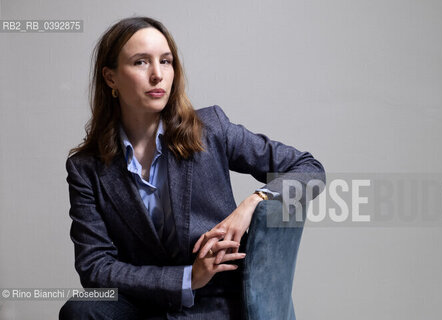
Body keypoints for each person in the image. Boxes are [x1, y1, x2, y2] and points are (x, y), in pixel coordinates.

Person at [59, 16, 325, 320]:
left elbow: (309, 169)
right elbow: (95, 267)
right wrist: (186, 278)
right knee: (79, 312)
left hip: (214, 301)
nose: (158, 75)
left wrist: (255, 201)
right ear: (111, 78)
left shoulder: (211, 129)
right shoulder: (86, 168)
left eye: (166, 61)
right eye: (141, 62)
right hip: (145, 302)